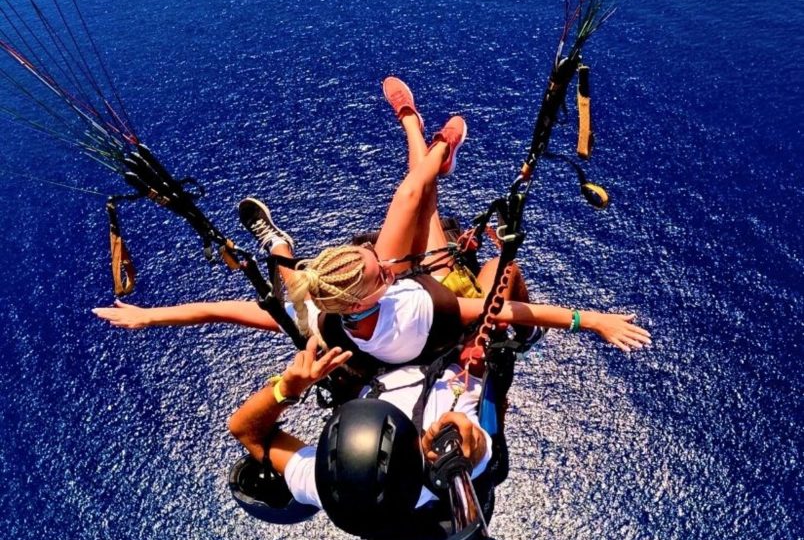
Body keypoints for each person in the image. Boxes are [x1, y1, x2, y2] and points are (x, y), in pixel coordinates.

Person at [94, 78, 651, 361]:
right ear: (371, 294)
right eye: (379, 271)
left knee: (304, 273)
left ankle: (413, 138)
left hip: (335, 299)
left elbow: (219, 310)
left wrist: (151, 316)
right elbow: (504, 309)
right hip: (443, 312)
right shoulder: (411, 302)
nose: (384, 263)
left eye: (374, 261)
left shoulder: (320, 315)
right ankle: (429, 145)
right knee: (442, 224)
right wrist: (593, 320)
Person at [227, 335, 497, 540]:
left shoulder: (327, 487)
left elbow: (245, 429)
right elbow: (474, 445)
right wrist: (465, 439)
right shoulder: (450, 459)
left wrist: (287, 389)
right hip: (440, 348)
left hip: (382, 365)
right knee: (499, 273)